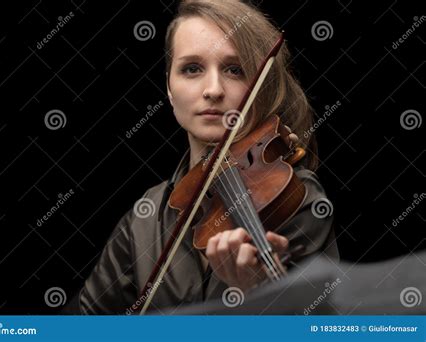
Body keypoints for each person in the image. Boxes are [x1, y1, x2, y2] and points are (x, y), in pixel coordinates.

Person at [75, 0, 338, 314]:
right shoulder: (146, 216)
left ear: (260, 86)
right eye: (192, 69)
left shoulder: (299, 198)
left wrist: (258, 295)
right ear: (170, 89)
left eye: (234, 69)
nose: (213, 89)